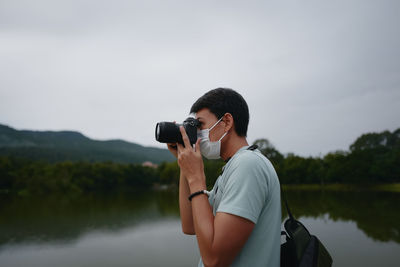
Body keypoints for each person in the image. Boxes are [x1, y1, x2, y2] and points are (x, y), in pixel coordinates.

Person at [167, 88, 281, 267]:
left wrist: (197, 177)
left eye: (200, 125)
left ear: (226, 122)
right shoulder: (232, 167)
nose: (197, 134)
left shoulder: (247, 165)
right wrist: (185, 166)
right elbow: (190, 226)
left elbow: (214, 260)